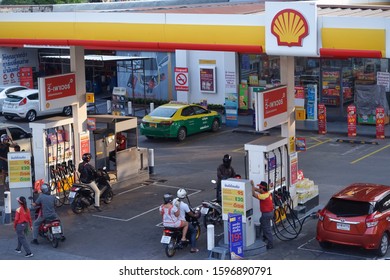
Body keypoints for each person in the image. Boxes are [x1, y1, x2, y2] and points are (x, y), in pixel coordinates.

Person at [251, 180, 274, 249]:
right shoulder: (267, 193)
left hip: (266, 214)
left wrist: (252, 185)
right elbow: (257, 190)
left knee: (267, 229)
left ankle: (270, 244)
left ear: (262, 189)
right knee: (262, 221)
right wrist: (253, 187)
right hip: (269, 213)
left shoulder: (263, 196)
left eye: (260, 188)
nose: (259, 189)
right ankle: (264, 236)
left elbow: (253, 194)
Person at [175, 188, 200, 253]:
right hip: (181, 222)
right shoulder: (184, 205)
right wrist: (195, 215)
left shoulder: (173, 201)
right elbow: (190, 213)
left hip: (173, 221)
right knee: (193, 231)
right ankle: (193, 248)